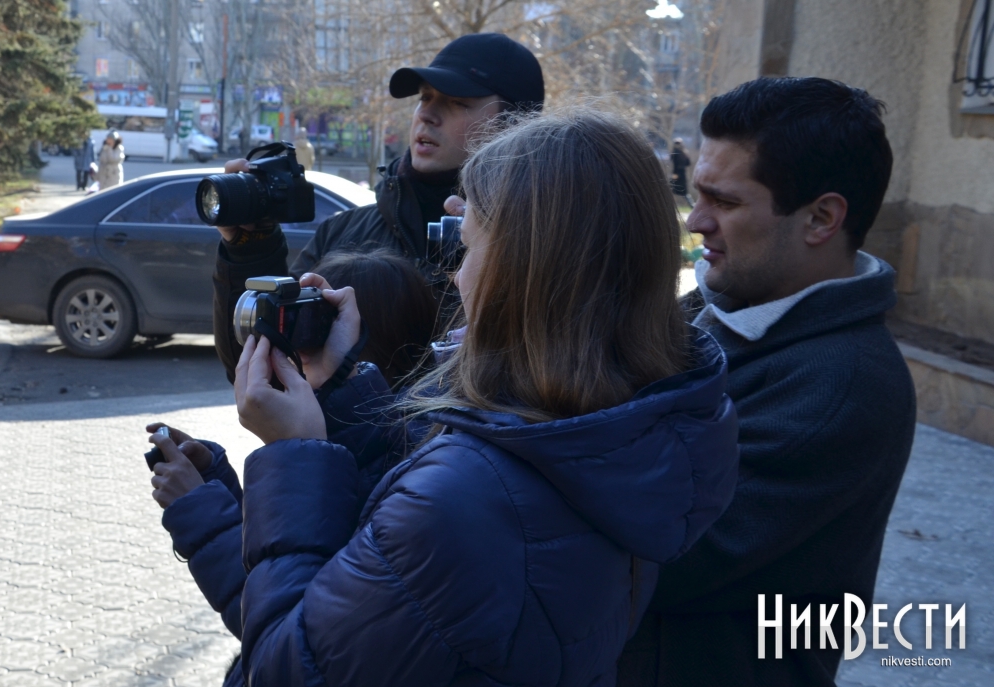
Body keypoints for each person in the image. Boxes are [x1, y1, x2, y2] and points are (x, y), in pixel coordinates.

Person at [191, 108, 740, 686]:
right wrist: (343, 385)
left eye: (469, 248)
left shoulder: (457, 502)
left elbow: (284, 669)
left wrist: (294, 455)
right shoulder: (630, 426)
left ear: (521, 274)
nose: (456, 278)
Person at [617, 77, 916, 687]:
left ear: (821, 218)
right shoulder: (715, 306)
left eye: (723, 202)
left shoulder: (843, 386)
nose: (696, 220)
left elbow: (655, 557)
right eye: (696, 195)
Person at [145, 249, 437, 686]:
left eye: (306, 324)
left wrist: (202, 511)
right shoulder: (388, 439)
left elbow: (288, 637)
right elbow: (290, 552)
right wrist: (215, 482)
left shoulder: (411, 478)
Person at [210, 32, 544, 380]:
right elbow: (256, 371)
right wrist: (250, 247)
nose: (427, 114)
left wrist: (496, 248)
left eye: (457, 102)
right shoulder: (342, 233)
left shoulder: (536, 248)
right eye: (424, 97)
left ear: (513, 125)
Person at [670, 138, 693, 207]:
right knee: (683, 192)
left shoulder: (676, 152)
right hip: (682, 174)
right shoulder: (684, 152)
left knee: (672, 190)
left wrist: (675, 174)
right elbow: (688, 163)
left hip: (677, 174)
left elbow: (675, 164)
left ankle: (670, 205)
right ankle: (692, 205)